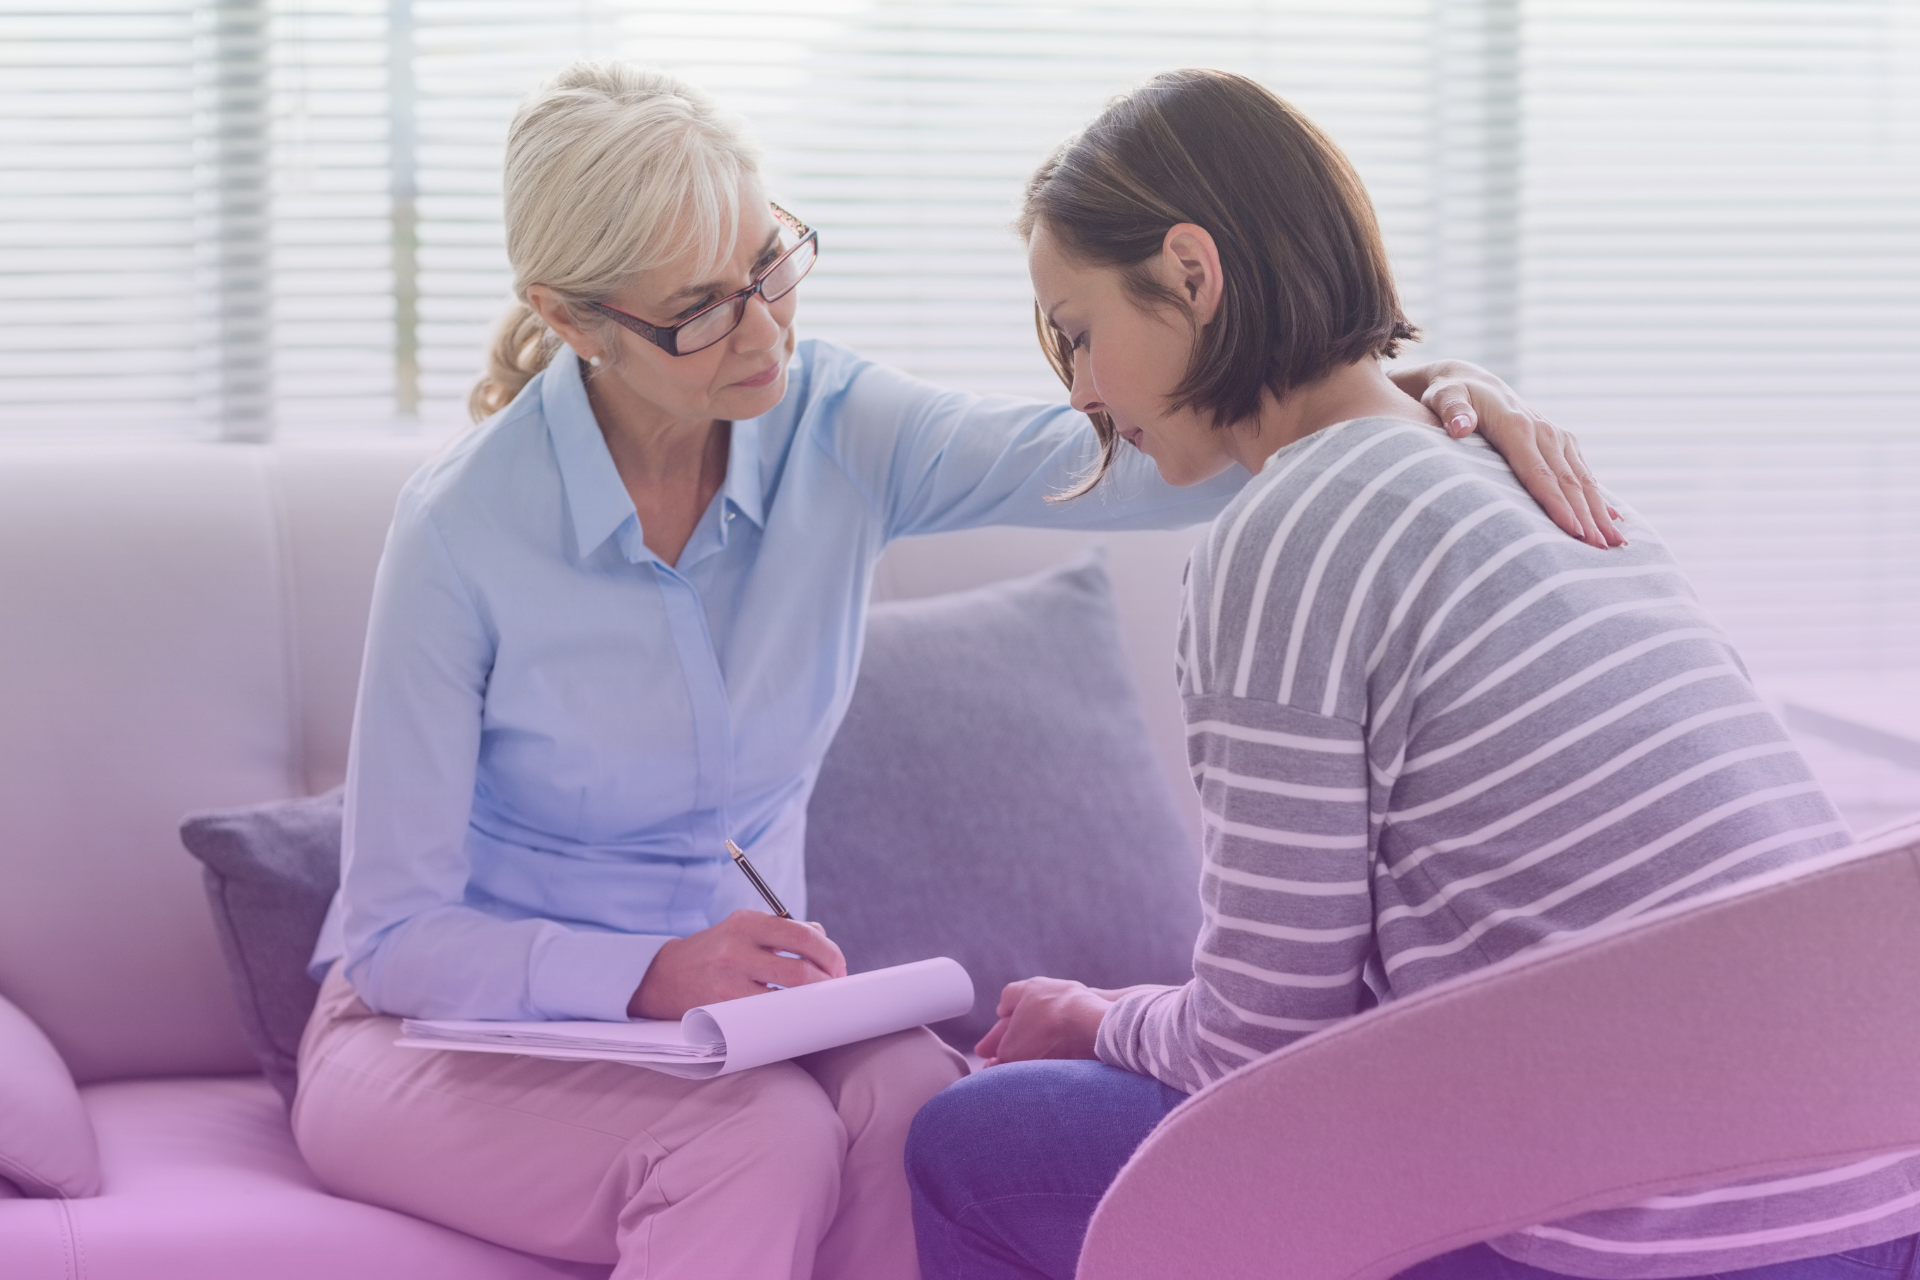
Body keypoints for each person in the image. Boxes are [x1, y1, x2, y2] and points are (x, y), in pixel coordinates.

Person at [289, 61, 1616, 1280]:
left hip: (734, 1021)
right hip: (432, 1040)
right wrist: (642, 973)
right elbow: (402, 940)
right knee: (754, 1143)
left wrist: (1408, 391)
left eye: (770, 264)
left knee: (922, 1107)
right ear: (571, 319)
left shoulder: (832, 425)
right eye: (701, 309)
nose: (764, 330)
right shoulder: (464, 527)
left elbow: (1147, 450)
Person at [905, 68, 1920, 1280]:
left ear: (1191, 271)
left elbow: (1260, 1044)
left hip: (1629, 1234)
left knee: (968, 1144)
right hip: (1873, 1196)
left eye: (1077, 331)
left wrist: (1095, 1017)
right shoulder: (1542, 482)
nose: (1077, 389)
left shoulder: (1285, 535)